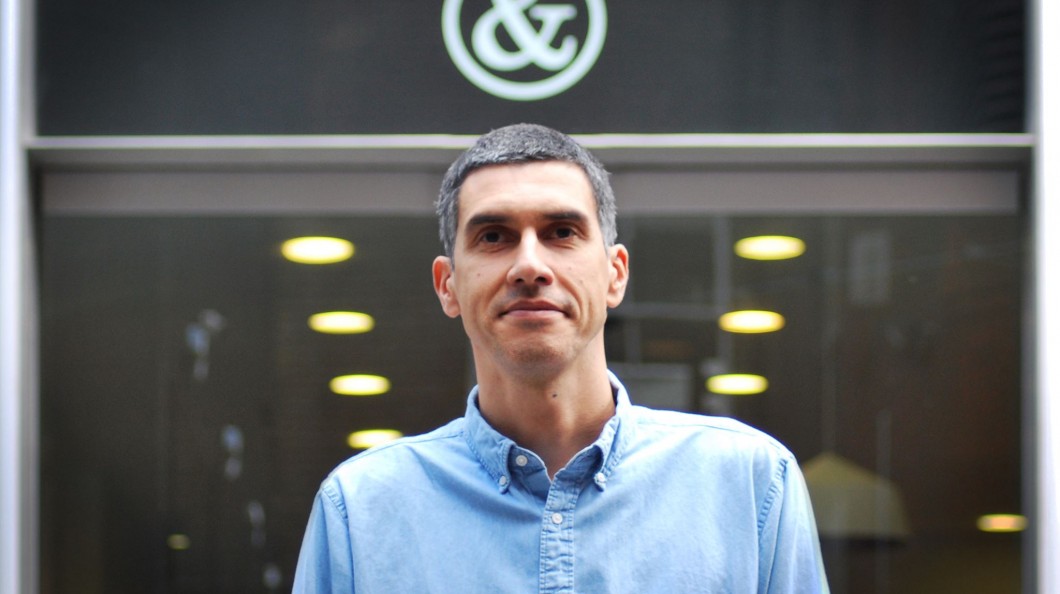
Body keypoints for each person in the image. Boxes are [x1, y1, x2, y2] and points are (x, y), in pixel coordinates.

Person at [292, 124, 830, 593]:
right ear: (447, 285)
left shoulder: (749, 485)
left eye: (562, 232)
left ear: (615, 274)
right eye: (494, 236)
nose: (530, 266)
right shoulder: (361, 509)